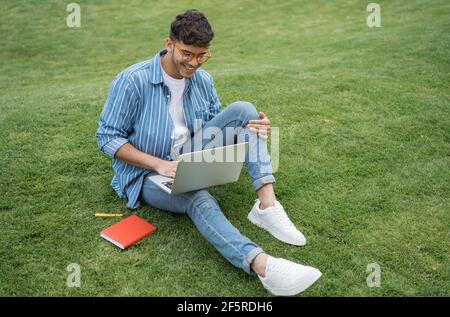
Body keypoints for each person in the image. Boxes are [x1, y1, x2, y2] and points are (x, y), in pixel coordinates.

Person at [96, 9, 321, 296]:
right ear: (169, 44)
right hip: (146, 173)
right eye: (187, 53)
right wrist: (160, 165)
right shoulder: (132, 81)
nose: (193, 63)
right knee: (197, 198)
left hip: (189, 158)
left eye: (202, 55)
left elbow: (216, 130)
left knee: (245, 111)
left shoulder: (203, 81)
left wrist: (253, 131)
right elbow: (107, 138)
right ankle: (262, 265)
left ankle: (266, 207)